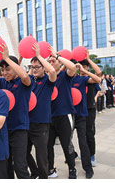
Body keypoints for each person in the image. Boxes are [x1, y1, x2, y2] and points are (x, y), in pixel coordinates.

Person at [0, 45, 32, 178]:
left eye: (8, 69)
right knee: (6, 165)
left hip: (19, 130)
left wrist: (7, 58)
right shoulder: (2, 82)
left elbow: (24, 75)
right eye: (2, 70)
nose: (4, 72)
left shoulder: (24, 82)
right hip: (4, 129)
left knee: (20, 166)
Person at [24, 44, 57, 179]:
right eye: (32, 67)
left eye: (37, 67)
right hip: (27, 123)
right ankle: (35, 172)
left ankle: (43, 177)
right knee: (23, 152)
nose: (34, 69)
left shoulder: (48, 82)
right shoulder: (29, 81)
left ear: (44, 67)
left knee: (41, 157)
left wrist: (39, 55)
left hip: (41, 124)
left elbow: (53, 71)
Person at [46, 47, 78, 179]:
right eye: (49, 61)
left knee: (66, 144)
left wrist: (57, 56)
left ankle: (72, 168)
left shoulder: (64, 76)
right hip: (49, 117)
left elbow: (72, 67)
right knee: (48, 146)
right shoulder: (46, 78)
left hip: (64, 115)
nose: (51, 62)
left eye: (53, 61)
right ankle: (51, 169)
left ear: (60, 63)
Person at [70, 57, 102, 179]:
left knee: (83, 141)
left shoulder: (82, 79)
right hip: (69, 115)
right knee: (66, 141)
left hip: (82, 115)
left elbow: (98, 79)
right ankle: (71, 165)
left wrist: (83, 70)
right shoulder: (65, 79)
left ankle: (88, 168)